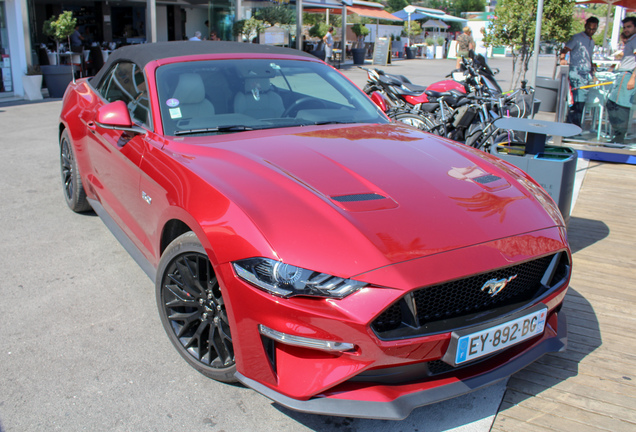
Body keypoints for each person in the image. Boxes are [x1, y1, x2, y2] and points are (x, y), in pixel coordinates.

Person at [560, 16, 599, 127]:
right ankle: (571, 126)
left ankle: (575, 126)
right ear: (585, 26)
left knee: (581, 102)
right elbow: (565, 49)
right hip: (577, 72)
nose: (591, 31)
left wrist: (592, 69)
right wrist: (563, 59)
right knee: (576, 100)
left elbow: (589, 57)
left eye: (593, 29)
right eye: (589, 28)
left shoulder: (592, 41)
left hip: (586, 73)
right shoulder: (577, 38)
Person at [607, 16, 636, 143]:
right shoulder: (631, 40)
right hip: (624, 74)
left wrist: (632, 78)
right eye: (624, 27)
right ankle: (618, 135)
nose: (626, 30)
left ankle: (619, 138)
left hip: (628, 75)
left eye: (629, 27)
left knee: (620, 106)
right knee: (613, 104)